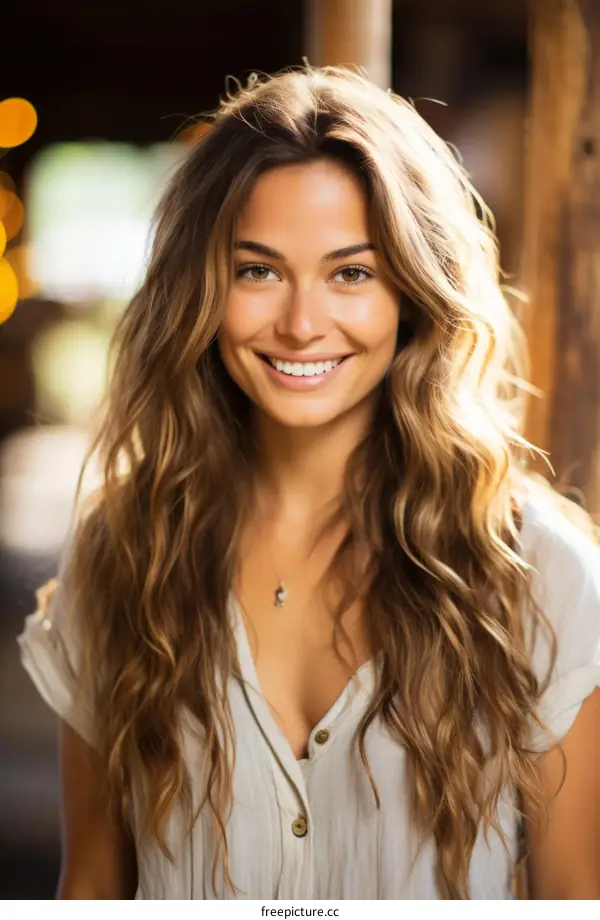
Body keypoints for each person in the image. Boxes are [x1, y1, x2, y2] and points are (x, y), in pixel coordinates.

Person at [17, 65, 600, 900]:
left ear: (413, 292)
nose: (299, 322)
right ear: (202, 291)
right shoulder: (123, 561)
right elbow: (92, 894)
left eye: (350, 273)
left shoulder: (538, 577)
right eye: (258, 270)